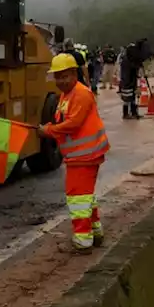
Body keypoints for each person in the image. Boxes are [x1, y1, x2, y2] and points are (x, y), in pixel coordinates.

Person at [39, 52, 110, 254]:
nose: (60, 81)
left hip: (85, 156)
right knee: (86, 197)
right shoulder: (66, 95)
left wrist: (49, 131)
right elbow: (65, 120)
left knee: (77, 198)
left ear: (74, 74)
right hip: (78, 156)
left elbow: (73, 124)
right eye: (57, 77)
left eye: (64, 76)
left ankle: (83, 240)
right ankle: (94, 232)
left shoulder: (81, 94)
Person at [119, 39, 147, 119]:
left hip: (131, 80)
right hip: (127, 81)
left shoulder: (131, 60)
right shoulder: (127, 60)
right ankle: (126, 114)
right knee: (127, 98)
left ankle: (134, 112)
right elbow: (130, 69)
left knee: (133, 97)